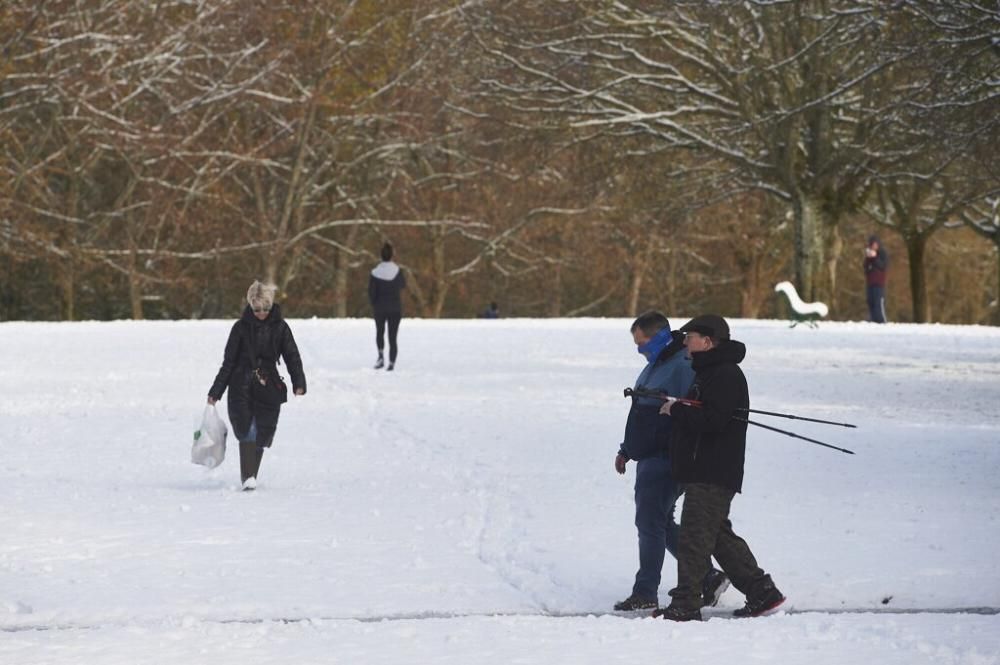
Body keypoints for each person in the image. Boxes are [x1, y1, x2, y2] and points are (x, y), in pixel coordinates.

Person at [655, 315, 784, 621]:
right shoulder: (709, 373)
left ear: (708, 342)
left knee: (693, 537)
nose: (685, 341)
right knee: (715, 537)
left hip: (713, 471)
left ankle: (685, 604)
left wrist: (677, 410)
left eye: (691, 336)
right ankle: (761, 592)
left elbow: (714, 422)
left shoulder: (726, 375)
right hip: (704, 470)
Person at [613, 311, 730, 612]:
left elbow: (692, 410)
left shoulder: (682, 365)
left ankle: (646, 591)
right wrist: (626, 450)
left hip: (666, 457)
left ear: (661, 336)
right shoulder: (655, 365)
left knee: (649, 522)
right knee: (660, 522)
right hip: (647, 454)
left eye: (643, 343)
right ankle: (708, 576)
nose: (640, 350)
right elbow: (642, 412)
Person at [208, 281, 306, 491]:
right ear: (250, 306)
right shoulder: (240, 328)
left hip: (268, 386)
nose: (261, 313)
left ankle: (250, 475)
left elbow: (292, 356)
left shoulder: (281, 327)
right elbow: (228, 362)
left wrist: (299, 382)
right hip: (240, 384)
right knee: (246, 429)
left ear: (271, 306)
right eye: (256, 309)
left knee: (262, 432)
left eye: (266, 308)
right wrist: (215, 392)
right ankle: (248, 478)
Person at [368, 242, 406, 370]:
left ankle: (380, 356)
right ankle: (392, 362)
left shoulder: (375, 272)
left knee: (380, 332)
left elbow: (371, 292)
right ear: (392, 255)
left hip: (380, 308)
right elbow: (402, 285)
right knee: (392, 336)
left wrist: (374, 303)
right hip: (395, 308)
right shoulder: (397, 271)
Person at [864, 235, 888, 323]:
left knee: (879, 302)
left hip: (879, 282)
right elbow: (865, 268)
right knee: (870, 301)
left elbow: (883, 266)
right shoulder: (868, 256)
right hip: (870, 282)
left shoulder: (882, 253)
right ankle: (873, 319)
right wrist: (868, 259)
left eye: (874, 244)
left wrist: (874, 258)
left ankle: (881, 320)